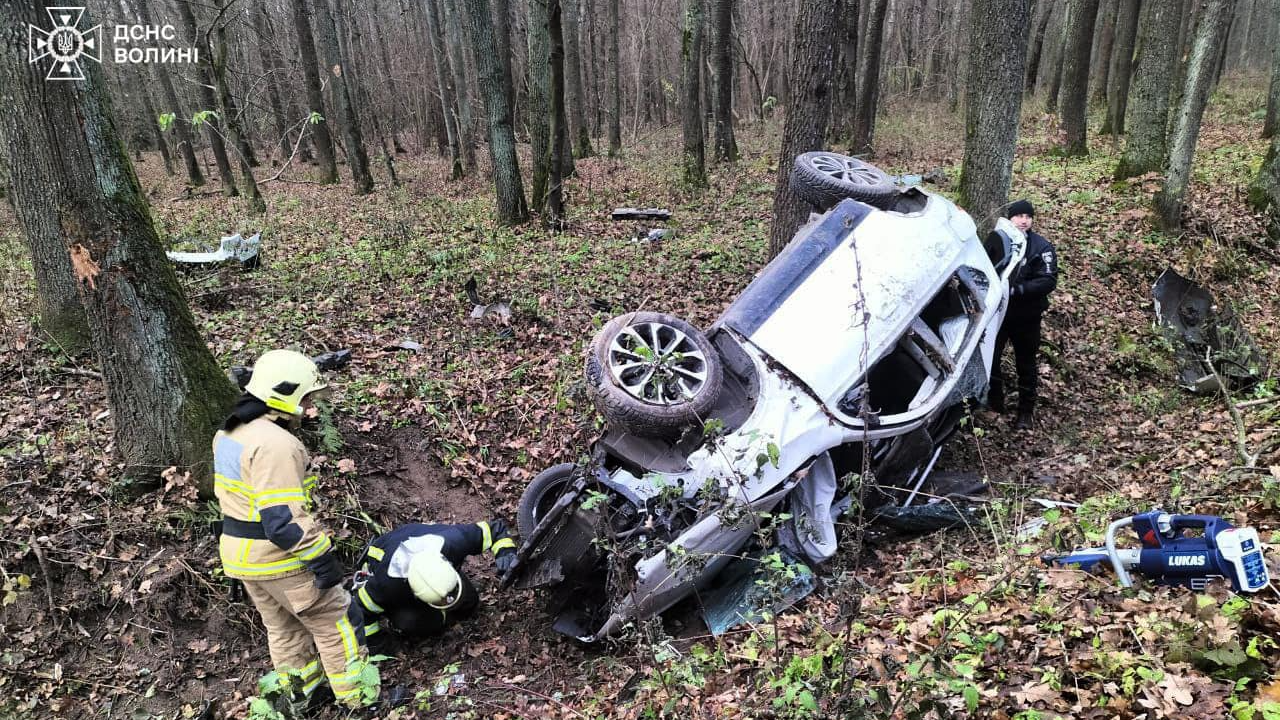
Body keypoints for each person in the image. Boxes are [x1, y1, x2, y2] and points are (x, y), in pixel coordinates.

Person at [213, 349, 374, 707]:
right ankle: (361, 700)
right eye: (305, 397)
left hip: (240, 558)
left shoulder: (230, 431)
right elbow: (282, 521)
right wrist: (322, 559)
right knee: (338, 620)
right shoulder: (276, 444)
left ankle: (302, 698)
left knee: (283, 628)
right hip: (278, 558)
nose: (310, 406)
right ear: (284, 394)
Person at [352, 520, 517, 649]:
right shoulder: (386, 585)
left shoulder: (452, 542)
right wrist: (380, 646)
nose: (448, 602)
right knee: (411, 623)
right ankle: (434, 619)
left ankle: (449, 608)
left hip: (416, 538)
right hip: (383, 556)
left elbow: (494, 529)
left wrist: (506, 552)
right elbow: (360, 612)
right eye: (441, 602)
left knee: (469, 602)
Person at [989, 199, 1058, 430]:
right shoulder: (999, 241)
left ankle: (1025, 413)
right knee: (992, 359)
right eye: (1018, 216)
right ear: (1010, 219)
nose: (1023, 220)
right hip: (999, 316)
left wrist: (1018, 290)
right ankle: (994, 405)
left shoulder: (1041, 247)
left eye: (1028, 216)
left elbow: (1048, 280)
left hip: (1028, 317)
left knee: (1026, 364)